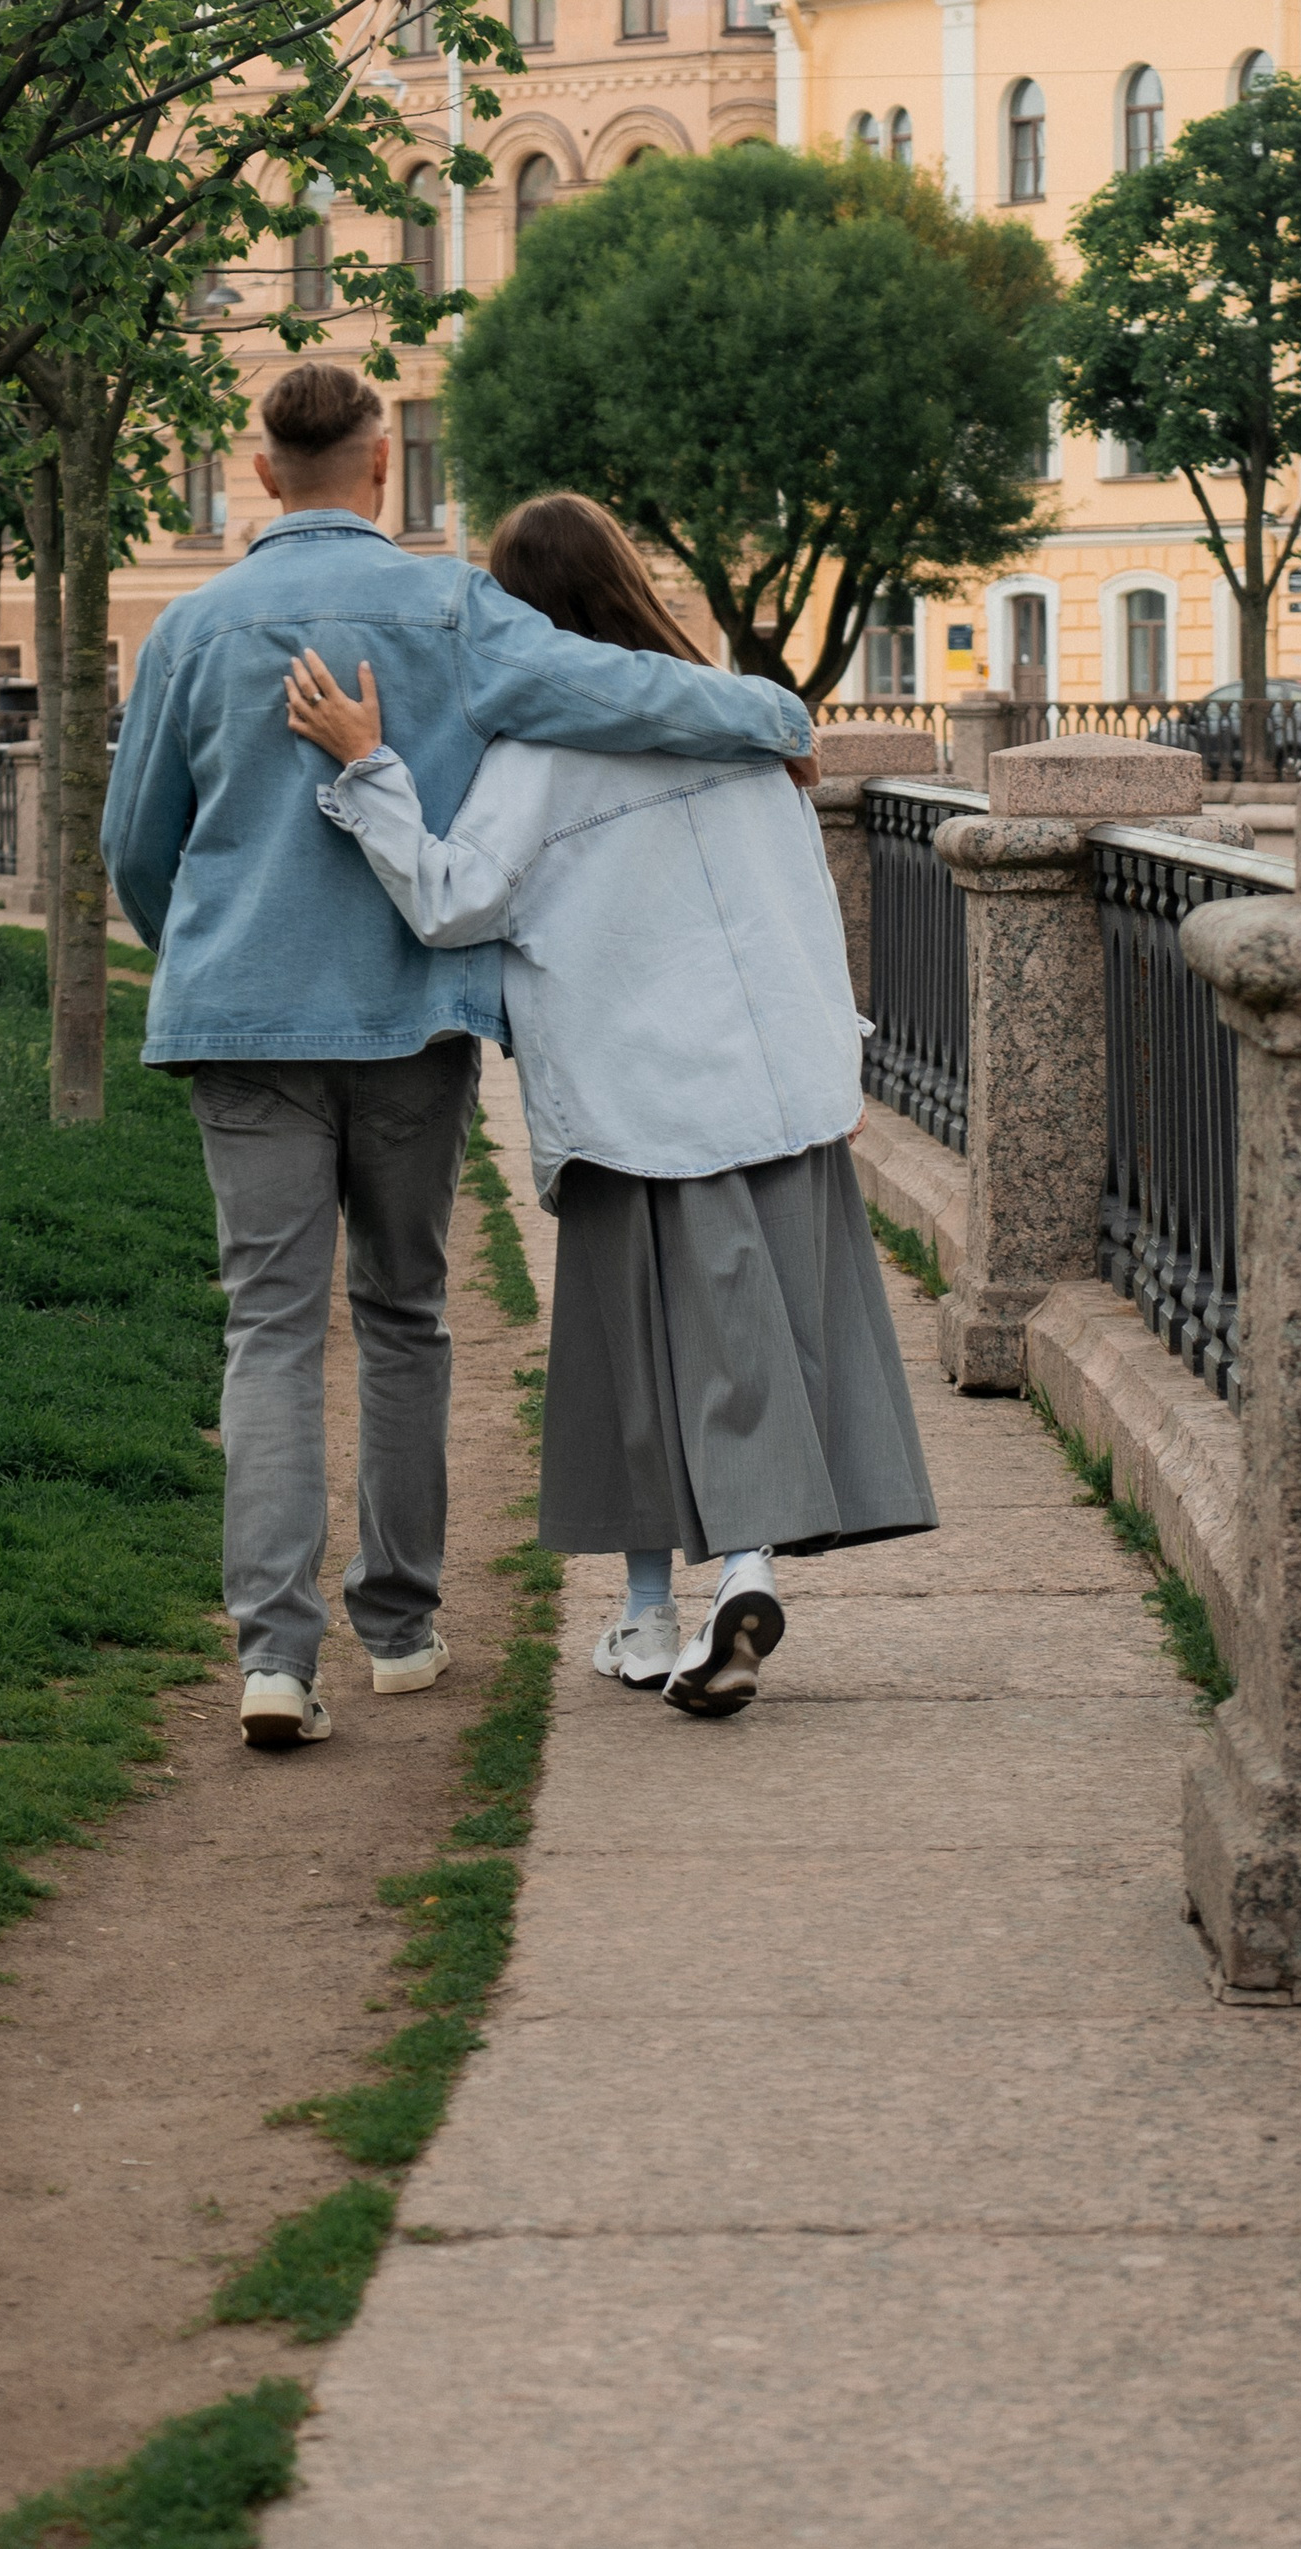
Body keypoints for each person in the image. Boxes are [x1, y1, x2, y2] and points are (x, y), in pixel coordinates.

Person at [101, 367, 815, 1753]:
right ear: (382, 465)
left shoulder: (189, 628)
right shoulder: (453, 608)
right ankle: (400, 1626)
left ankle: (273, 1658)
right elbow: (620, 687)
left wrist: (202, 949)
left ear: (262, 472)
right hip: (409, 1021)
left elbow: (138, 846)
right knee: (403, 1313)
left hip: (242, 1021)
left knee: (268, 1326)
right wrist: (776, 718)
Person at [284, 491, 936, 1722]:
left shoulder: (534, 763)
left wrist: (368, 768)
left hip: (630, 1098)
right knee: (752, 1344)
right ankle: (711, 1587)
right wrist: (836, 1058)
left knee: (627, 1356)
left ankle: (666, 1604)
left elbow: (450, 903)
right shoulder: (741, 728)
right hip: (770, 1088)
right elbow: (807, 908)